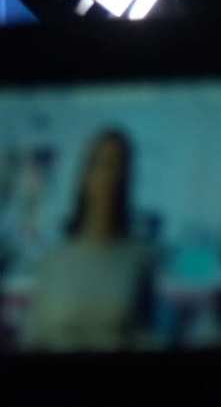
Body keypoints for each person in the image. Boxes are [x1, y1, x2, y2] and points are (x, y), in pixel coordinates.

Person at [15, 128, 160, 353]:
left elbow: (146, 334)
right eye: (104, 165)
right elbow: (32, 338)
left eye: (120, 168)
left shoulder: (140, 259)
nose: (111, 178)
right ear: (85, 175)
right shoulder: (54, 261)